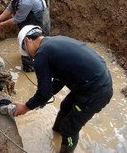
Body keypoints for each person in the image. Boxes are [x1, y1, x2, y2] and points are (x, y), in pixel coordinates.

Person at [13, 25, 113, 153]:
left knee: (70, 129)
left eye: (25, 50)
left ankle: (66, 146)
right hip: (94, 82)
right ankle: (55, 134)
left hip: (95, 92)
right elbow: (61, 78)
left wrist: (26, 106)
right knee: (65, 106)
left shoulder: (41, 55)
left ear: (28, 40)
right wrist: (44, 96)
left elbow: (43, 93)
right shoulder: (54, 42)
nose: (29, 56)